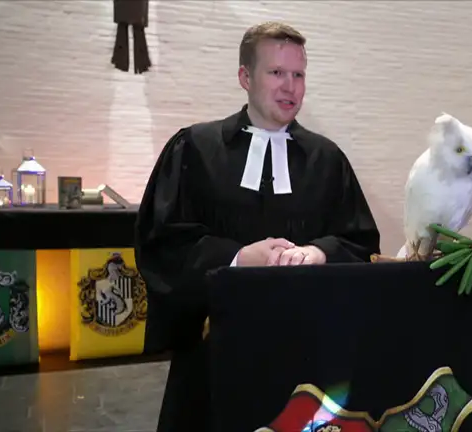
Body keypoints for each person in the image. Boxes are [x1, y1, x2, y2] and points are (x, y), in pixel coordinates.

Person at [134, 21, 381, 432]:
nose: (290, 87)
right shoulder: (196, 149)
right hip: (215, 357)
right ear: (245, 77)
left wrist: (318, 252)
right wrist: (238, 257)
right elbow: (161, 242)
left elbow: (360, 241)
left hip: (307, 360)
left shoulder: (327, 159)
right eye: (276, 72)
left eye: (298, 74)